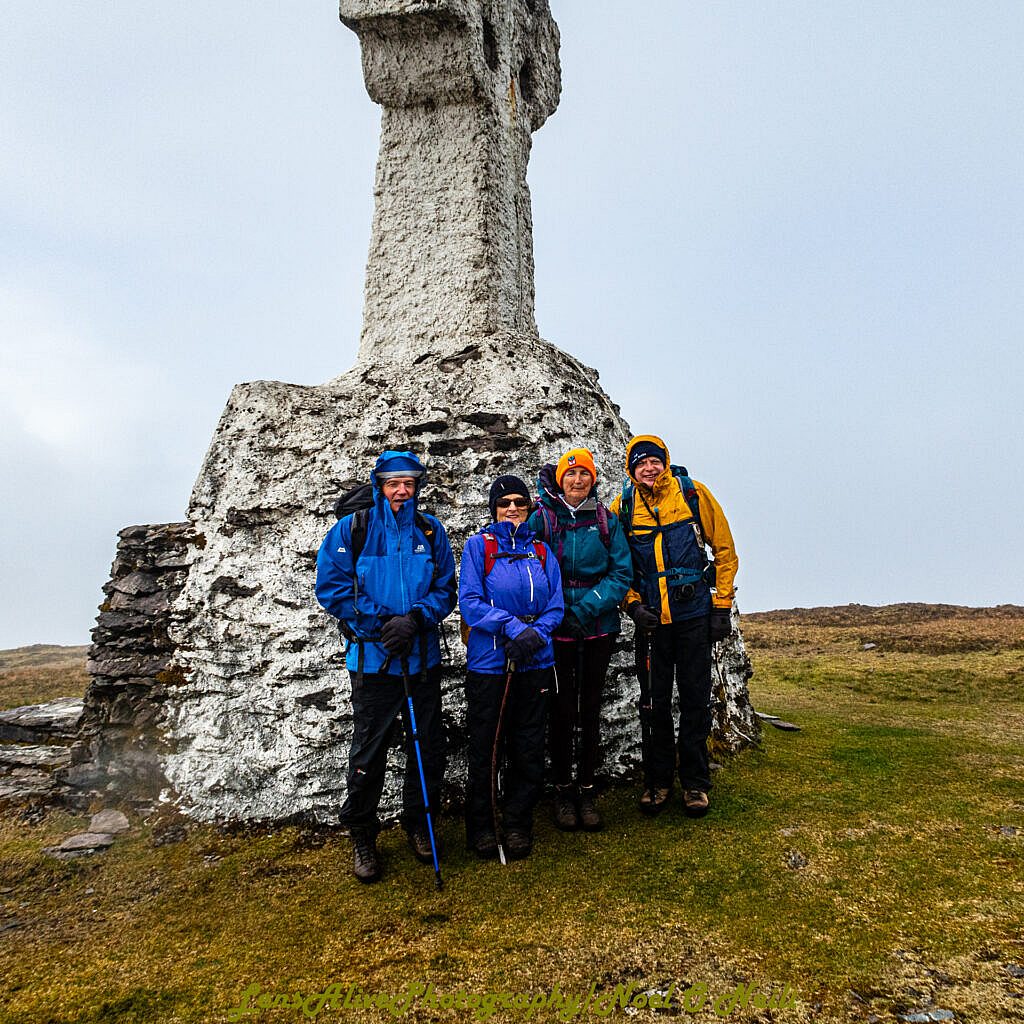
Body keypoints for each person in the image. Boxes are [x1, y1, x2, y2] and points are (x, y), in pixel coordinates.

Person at [315, 450, 457, 884]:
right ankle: (363, 834)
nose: (401, 490)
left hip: (422, 659)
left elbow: (446, 587)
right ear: (379, 484)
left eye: (408, 482)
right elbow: (333, 588)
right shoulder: (351, 530)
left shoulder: (430, 530)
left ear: (417, 486)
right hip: (373, 662)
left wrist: (414, 619)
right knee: (369, 753)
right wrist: (381, 623)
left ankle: (419, 824)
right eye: (393, 482)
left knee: (426, 747)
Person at [609, 435, 738, 819]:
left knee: (697, 699)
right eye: (640, 463)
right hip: (651, 623)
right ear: (631, 470)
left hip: (693, 615)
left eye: (654, 460)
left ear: (665, 462)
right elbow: (617, 564)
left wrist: (721, 605)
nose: (648, 468)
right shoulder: (623, 507)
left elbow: (725, 551)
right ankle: (658, 780)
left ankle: (695, 784)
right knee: (654, 704)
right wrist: (632, 606)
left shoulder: (693, 494)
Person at [458, 475, 563, 861]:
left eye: (520, 501)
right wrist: (515, 628)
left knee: (529, 745)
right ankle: (483, 826)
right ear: (494, 509)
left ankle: (518, 823)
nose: (513, 508)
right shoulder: (478, 547)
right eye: (505, 503)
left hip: (536, 659)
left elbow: (556, 603)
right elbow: (469, 603)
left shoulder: (540, 549)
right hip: (491, 664)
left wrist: (538, 633)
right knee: (486, 746)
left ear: (530, 507)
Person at [527, 447, 633, 832]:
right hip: (556, 630)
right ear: (560, 479)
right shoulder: (542, 519)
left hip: (597, 627)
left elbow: (621, 573)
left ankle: (587, 789)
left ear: (593, 479)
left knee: (590, 709)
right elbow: (527, 565)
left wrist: (585, 609)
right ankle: (562, 790)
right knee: (559, 711)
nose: (577, 481)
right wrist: (555, 612)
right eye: (570, 475)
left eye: (584, 475)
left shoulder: (607, 521)